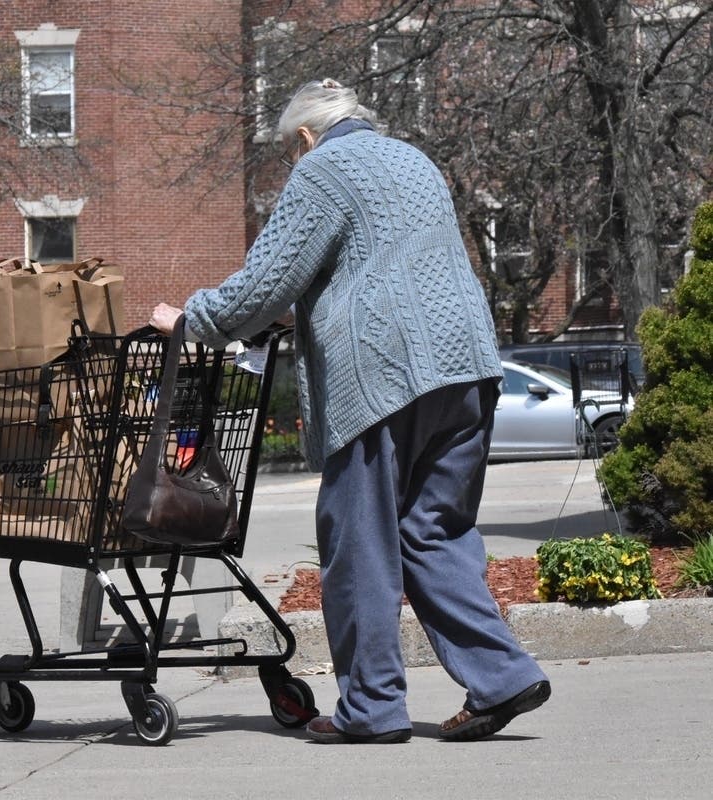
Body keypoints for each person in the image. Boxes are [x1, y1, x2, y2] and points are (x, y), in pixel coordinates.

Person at [149, 78, 550, 744]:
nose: (290, 165)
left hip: (384, 377)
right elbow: (372, 263)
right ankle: (503, 676)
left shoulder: (323, 170)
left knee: (359, 543)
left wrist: (193, 319)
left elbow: (267, 279)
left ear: (305, 137)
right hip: (468, 364)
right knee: (434, 531)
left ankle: (371, 709)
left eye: (288, 153)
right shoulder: (415, 161)